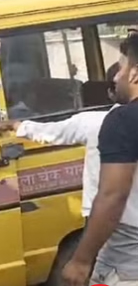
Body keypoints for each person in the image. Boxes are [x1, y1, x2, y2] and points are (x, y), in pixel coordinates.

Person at [0, 58, 123, 226]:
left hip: (105, 216)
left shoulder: (91, 123)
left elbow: (50, 132)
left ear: (110, 94)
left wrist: (14, 124)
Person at [62, 32, 138, 286]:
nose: (116, 76)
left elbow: (112, 196)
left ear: (135, 73)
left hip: (129, 253)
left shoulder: (122, 120)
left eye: (122, 67)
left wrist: (82, 259)